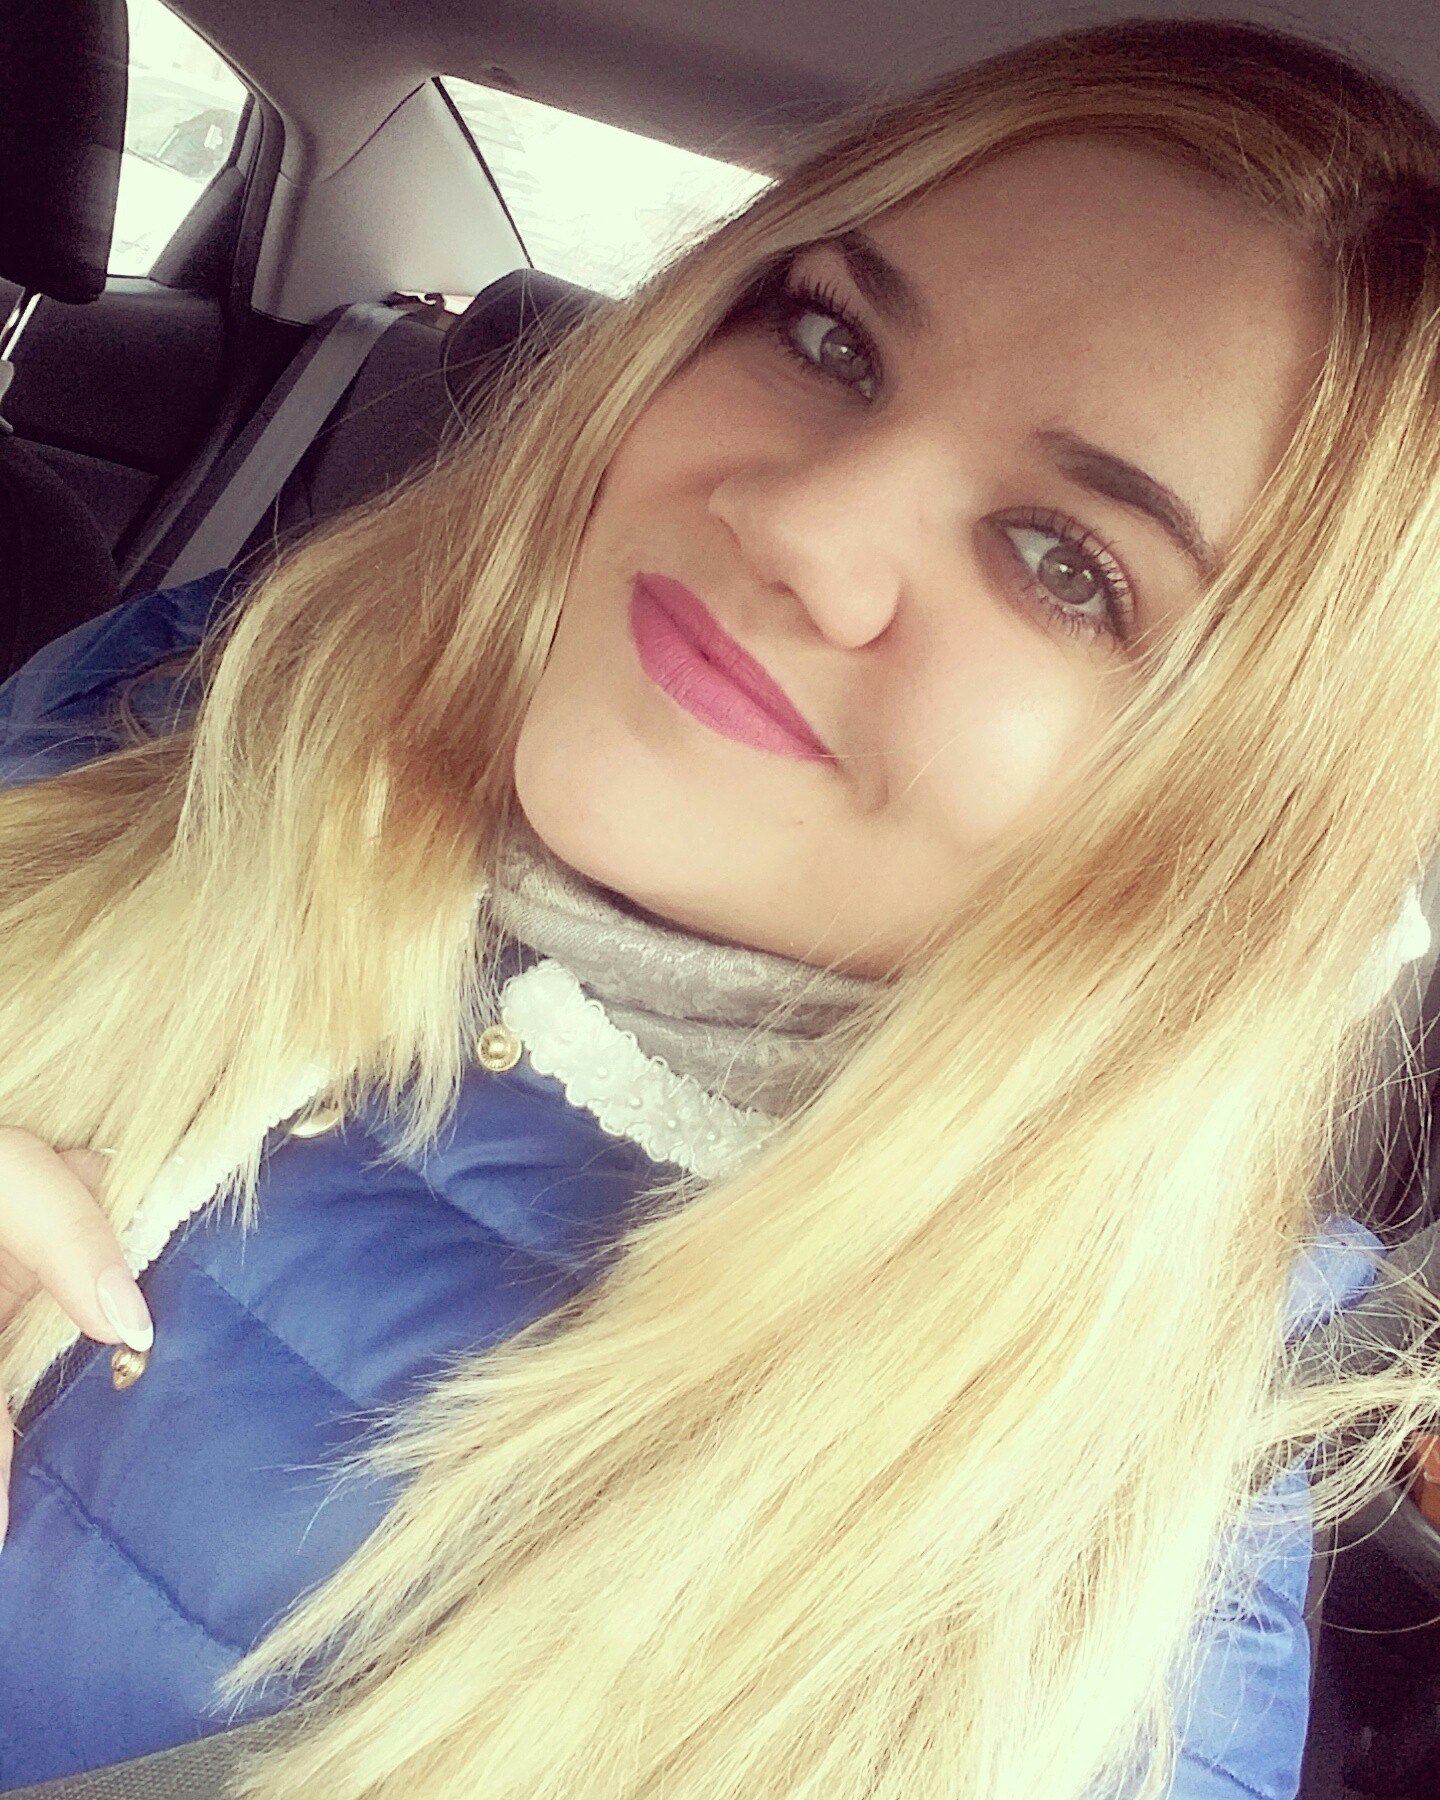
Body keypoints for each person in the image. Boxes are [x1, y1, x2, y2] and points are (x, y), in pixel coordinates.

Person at [1, 13, 1440, 1798]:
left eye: (1069, 563)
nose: (803, 523)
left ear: (1239, 835)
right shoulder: (168, 708)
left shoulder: (1085, 1651)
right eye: (830, 339)